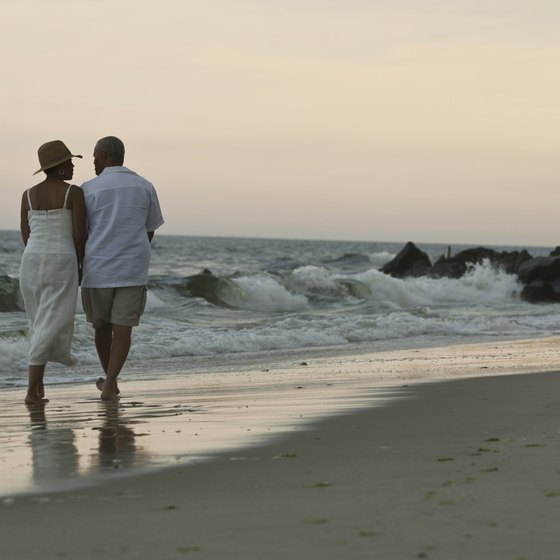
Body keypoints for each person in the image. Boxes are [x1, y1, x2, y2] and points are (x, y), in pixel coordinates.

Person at [80, 136, 164, 401]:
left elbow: (81, 233)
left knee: (101, 326)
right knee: (123, 328)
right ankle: (111, 383)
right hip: (132, 268)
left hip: (97, 267)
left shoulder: (88, 189)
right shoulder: (145, 186)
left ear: (104, 155)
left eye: (94, 156)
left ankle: (110, 382)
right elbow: (149, 229)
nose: (93, 161)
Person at [19, 140, 86, 404]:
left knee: (38, 322)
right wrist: (80, 265)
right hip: (62, 259)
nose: (72, 167)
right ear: (58, 167)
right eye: (69, 162)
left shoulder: (27, 194)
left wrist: (37, 256)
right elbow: (79, 236)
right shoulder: (74, 193)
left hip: (31, 260)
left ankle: (39, 387)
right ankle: (30, 392)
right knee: (51, 321)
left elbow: (27, 234)